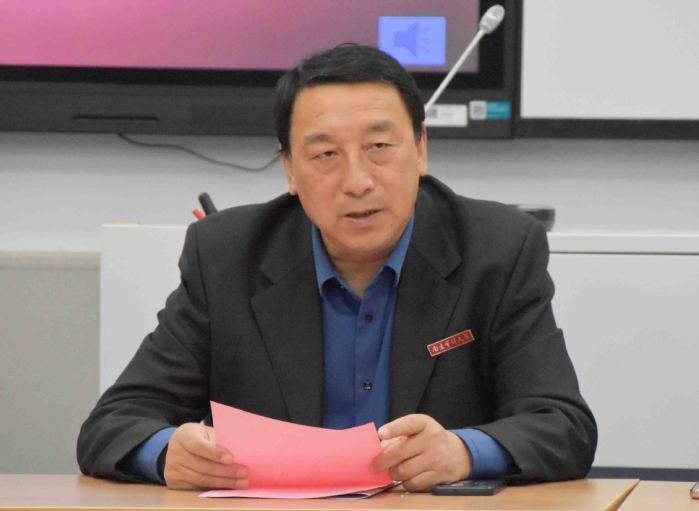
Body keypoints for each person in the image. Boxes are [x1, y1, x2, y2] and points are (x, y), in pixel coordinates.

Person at [77, 45, 596, 491]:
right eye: (325, 154)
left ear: (420, 150)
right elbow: (113, 423)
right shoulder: (226, 255)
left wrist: (463, 451)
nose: (357, 181)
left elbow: (563, 426)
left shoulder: (498, 249)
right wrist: (169, 453)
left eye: (379, 147)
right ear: (290, 169)